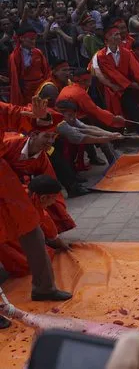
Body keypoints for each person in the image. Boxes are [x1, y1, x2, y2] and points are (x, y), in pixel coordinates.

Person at [0, 98, 72, 313]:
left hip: (4, 181)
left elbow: (15, 112)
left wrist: (40, 117)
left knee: (32, 229)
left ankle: (44, 287)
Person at [91, 20, 139, 148]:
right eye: (114, 34)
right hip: (112, 90)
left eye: (118, 34)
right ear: (107, 39)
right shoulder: (101, 56)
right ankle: (117, 141)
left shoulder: (126, 54)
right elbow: (112, 75)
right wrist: (131, 85)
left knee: (137, 112)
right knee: (114, 116)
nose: (118, 36)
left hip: (125, 89)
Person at [8, 25, 51, 105]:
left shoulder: (38, 52)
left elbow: (46, 71)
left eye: (34, 39)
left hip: (41, 87)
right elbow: (15, 79)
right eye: (31, 39)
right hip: (26, 91)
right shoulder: (15, 56)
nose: (33, 42)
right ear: (21, 38)